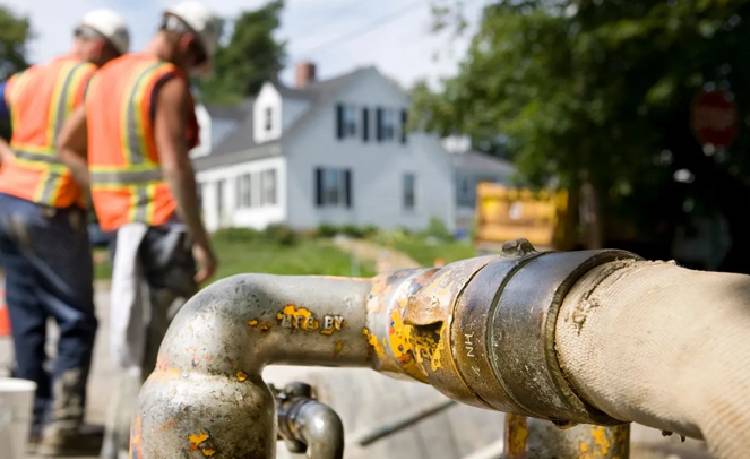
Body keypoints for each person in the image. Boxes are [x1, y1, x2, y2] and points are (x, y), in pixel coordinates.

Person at [57, 2, 219, 457]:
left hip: (122, 231)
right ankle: (163, 448)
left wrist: (107, 195)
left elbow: (66, 147)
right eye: (195, 59)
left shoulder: (106, 76)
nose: (191, 70)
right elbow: (175, 164)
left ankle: (126, 446)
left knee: (131, 355)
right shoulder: (165, 80)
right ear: (188, 44)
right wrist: (203, 242)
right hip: (163, 230)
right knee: (172, 354)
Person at [0, 10, 129, 456]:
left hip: (8, 201)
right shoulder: (93, 82)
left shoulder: (25, 79)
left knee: (26, 317)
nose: (112, 65)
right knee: (76, 319)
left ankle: (30, 421)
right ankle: (63, 425)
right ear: (97, 45)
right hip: (52, 204)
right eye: (111, 55)